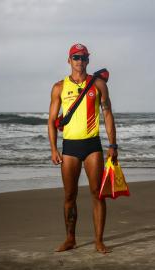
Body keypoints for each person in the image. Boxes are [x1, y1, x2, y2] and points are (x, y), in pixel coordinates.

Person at [48, 43, 118, 253]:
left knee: (98, 194)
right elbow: (51, 120)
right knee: (70, 195)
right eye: (76, 57)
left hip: (92, 146)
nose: (80, 61)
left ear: (88, 60)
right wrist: (53, 149)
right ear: (69, 60)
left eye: (84, 57)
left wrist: (113, 144)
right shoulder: (59, 87)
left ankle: (99, 240)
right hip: (70, 147)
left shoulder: (98, 85)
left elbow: (107, 115)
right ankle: (71, 239)